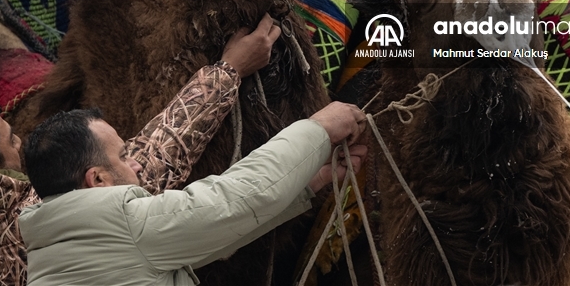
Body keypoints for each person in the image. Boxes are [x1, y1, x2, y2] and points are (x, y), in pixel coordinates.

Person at [0, 15, 279, 286]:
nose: (22, 145)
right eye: (11, 141)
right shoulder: (19, 225)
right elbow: (150, 163)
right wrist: (228, 71)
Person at [20, 100, 368, 286]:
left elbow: (215, 231)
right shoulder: (125, 224)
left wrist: (310, 183)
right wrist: (318, 129)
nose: (137, 166)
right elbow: (235, 199)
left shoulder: (51, 251)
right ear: (96, 180)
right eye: (124, 156)